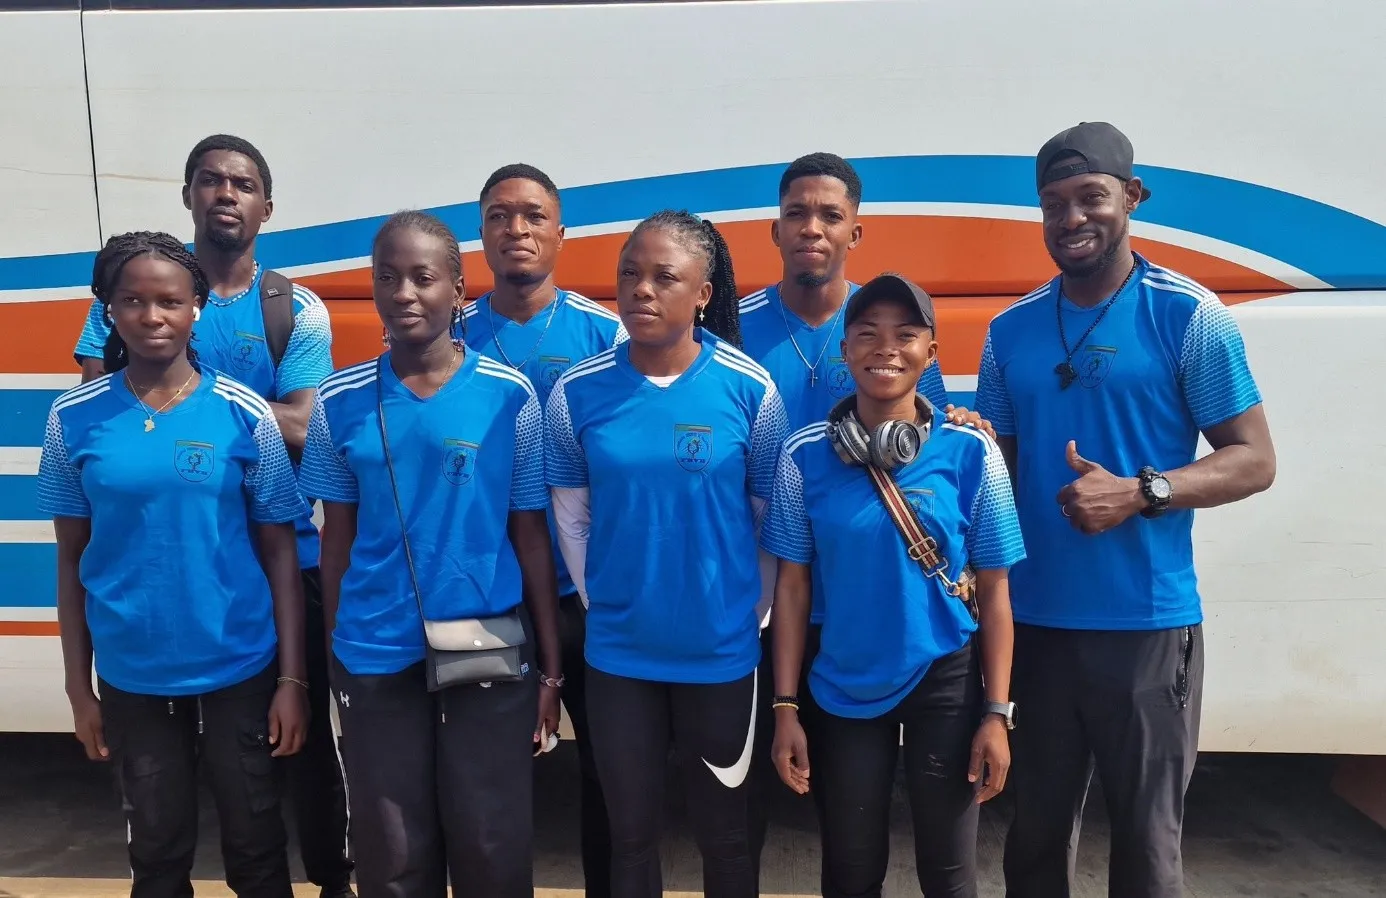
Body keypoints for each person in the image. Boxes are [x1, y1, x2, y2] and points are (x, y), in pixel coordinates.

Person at [976, 122, 1277, 898]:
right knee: (1033, 847)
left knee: (1145, 855)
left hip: (1146, 629)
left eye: (1091, 198)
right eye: (1053, 204)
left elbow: (1254, 459)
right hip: (1038, 630)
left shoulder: (1188, 316)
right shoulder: (1008, 333)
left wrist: (1143, 492)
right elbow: (999, 471)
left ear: (1131, 198)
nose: (1072, 219)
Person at [74, 134, 351, 897]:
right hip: (172, 582)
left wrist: (208, 409)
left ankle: (331, 879)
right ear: (188, 195)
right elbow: (105, 419)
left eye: (243, 183)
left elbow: (305, 427)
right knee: (164, 821)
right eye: (210, 181)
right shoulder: (131, 291)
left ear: (266, 204)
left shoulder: (294, 309)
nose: (225, 193)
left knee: (301, 760)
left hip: (280, 563)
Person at [299, 210, 563, 898]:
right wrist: (336, 652)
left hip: (486, 649)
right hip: (375, 654)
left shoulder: (512, 400)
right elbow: (337, 539)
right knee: (393, 853)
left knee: (490, 840)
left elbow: (530, 535)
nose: (404, 292)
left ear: (458, 290)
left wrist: (551, 667)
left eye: (423, 277)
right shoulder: (339, 402)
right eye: (387, 277)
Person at [38, 231, 310, 898]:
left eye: (169, 301)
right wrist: (80, 690)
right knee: (157, 855)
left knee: (256, 844)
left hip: (238, 664)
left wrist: (293, 680)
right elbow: (70, 561)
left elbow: (279, 551)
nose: (151, 316)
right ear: (109, 312)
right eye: (132, 301)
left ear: (196, 311)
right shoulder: (71, 419)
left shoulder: (246, 415)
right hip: (133, 674)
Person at [736, 152, 980, 861]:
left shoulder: (884, 328)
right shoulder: (732, 326)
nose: (812, 228)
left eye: (830, 215)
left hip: (867, 608)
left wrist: (962, 422)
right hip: (770, 601)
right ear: (775, 229)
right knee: (774, 805)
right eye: (796, 214)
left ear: (856, 233)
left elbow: (921, 420)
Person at [545, 210, 786, 898]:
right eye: (630, 274)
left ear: (704, 293)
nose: (641, 290)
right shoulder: (579, 391)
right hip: (621, 655)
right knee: (631, 839)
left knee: (727, 839)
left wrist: (747, 613)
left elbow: (767, 520)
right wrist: (614, 602)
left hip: (721, 654)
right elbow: (573, 516)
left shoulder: (750, 389)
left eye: (663, 277)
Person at [761, 272, 1025, 898]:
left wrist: (996, 713)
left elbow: (994, 592)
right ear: (845, 351)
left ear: (931, 355)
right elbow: (792, 590)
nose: (887, 349)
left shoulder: (972, 452)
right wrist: (785, 707)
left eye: (906, 335)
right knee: (850, 871)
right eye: (868, 334)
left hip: (946, 682)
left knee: (949, 870)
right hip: (843, 682)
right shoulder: (803, 455)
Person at [461, 162, 624, 898]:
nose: (515, 230)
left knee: (608, 770)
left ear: (561, 233)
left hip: (583, 593)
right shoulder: (450, 336)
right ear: (482, 233)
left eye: (532, 216)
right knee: (487, 774)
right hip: (485, 596)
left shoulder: (605, 332)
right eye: (499, 216)